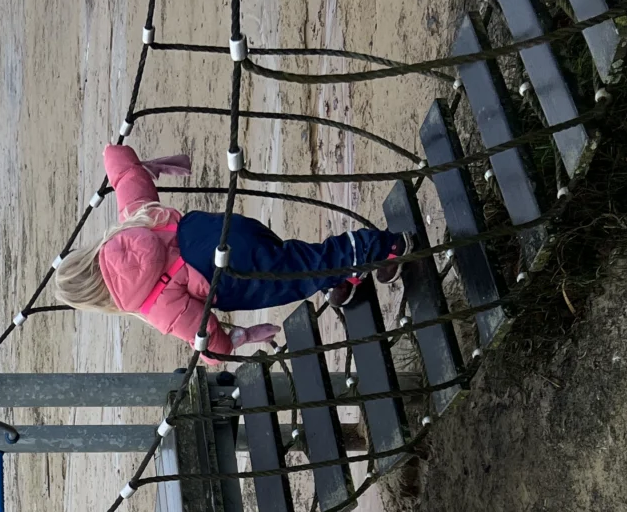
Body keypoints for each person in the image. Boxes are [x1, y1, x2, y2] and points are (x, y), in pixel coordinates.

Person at [54, 143, 404, 360]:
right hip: (224, 229)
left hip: (232, 273)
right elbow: (128, 175)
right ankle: (338, 278)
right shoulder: (130, 226)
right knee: (288, 255)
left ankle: (385, 247)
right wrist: (112, 153)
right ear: (90, 252)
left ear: (98, 302)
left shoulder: (149, 305)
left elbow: (203, 330)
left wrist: (223, 348)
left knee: (294, 273)